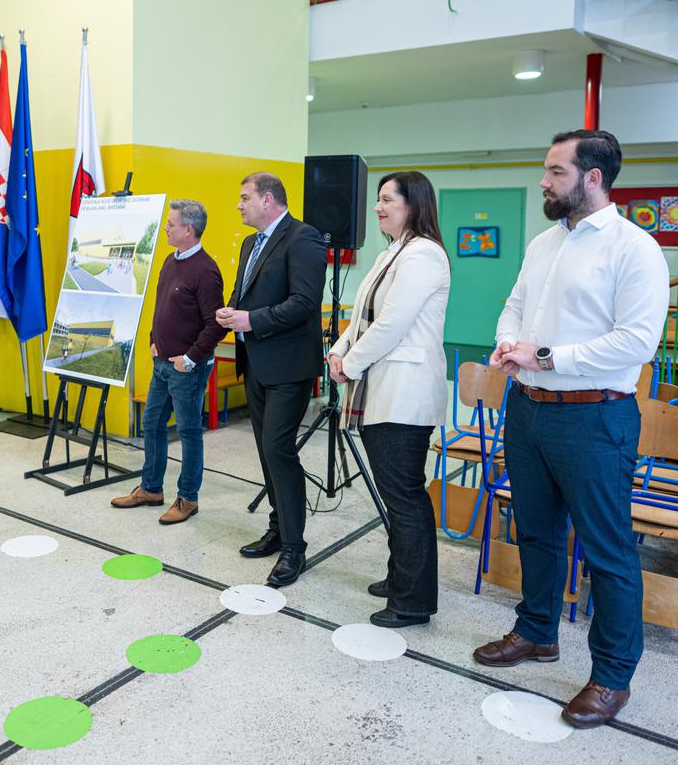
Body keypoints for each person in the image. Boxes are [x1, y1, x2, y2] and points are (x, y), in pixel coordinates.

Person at [473, 130, 668, 729]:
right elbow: (515, 303)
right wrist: (511, 342)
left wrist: (548, 355)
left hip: (595, 415)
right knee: (534, 530)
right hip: (528, 409)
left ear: (593, 178)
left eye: (555, 171)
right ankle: (536, 633)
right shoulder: (543, 243)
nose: (543, 181)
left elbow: (638, 342)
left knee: (608, 553)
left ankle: (612, 676)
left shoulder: (635, 249)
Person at [326, 171, 450, 628]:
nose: (377, 208)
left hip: (405, 391)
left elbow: (393, 324)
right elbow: (362, 317)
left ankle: (412, 600)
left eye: (386, 200)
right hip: (383, 385)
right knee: (396, 493)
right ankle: (401, 577)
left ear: (413, 206)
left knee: (404, 497)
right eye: (377, 200)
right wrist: (339, 352)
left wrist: (351, 364)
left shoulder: (423, 255)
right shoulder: (392, 252)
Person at [217, 172, 327, 587]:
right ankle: (278, 529)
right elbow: (245, 293)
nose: (239, 205)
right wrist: (232, 311)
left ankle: (294, 548)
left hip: (289, 367)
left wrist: (251, 320)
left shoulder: (304, 238)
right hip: (256, 363)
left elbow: (304, 302)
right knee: (266, 452)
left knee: (279, 451)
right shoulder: (250, 242)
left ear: (268, 200)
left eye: (245, 198)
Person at [112, 200, 226, 524]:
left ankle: (188, 498)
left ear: (188, 230)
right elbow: (162, 305)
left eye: (171, 224)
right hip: (161, 363)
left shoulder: (206, 270)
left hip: (186, 369)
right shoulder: (168, 260)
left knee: (189, 433)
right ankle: (151, 488)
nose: (166, 228)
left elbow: (214, 325)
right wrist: (152, 338)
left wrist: (189, 360)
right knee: (151, 423)